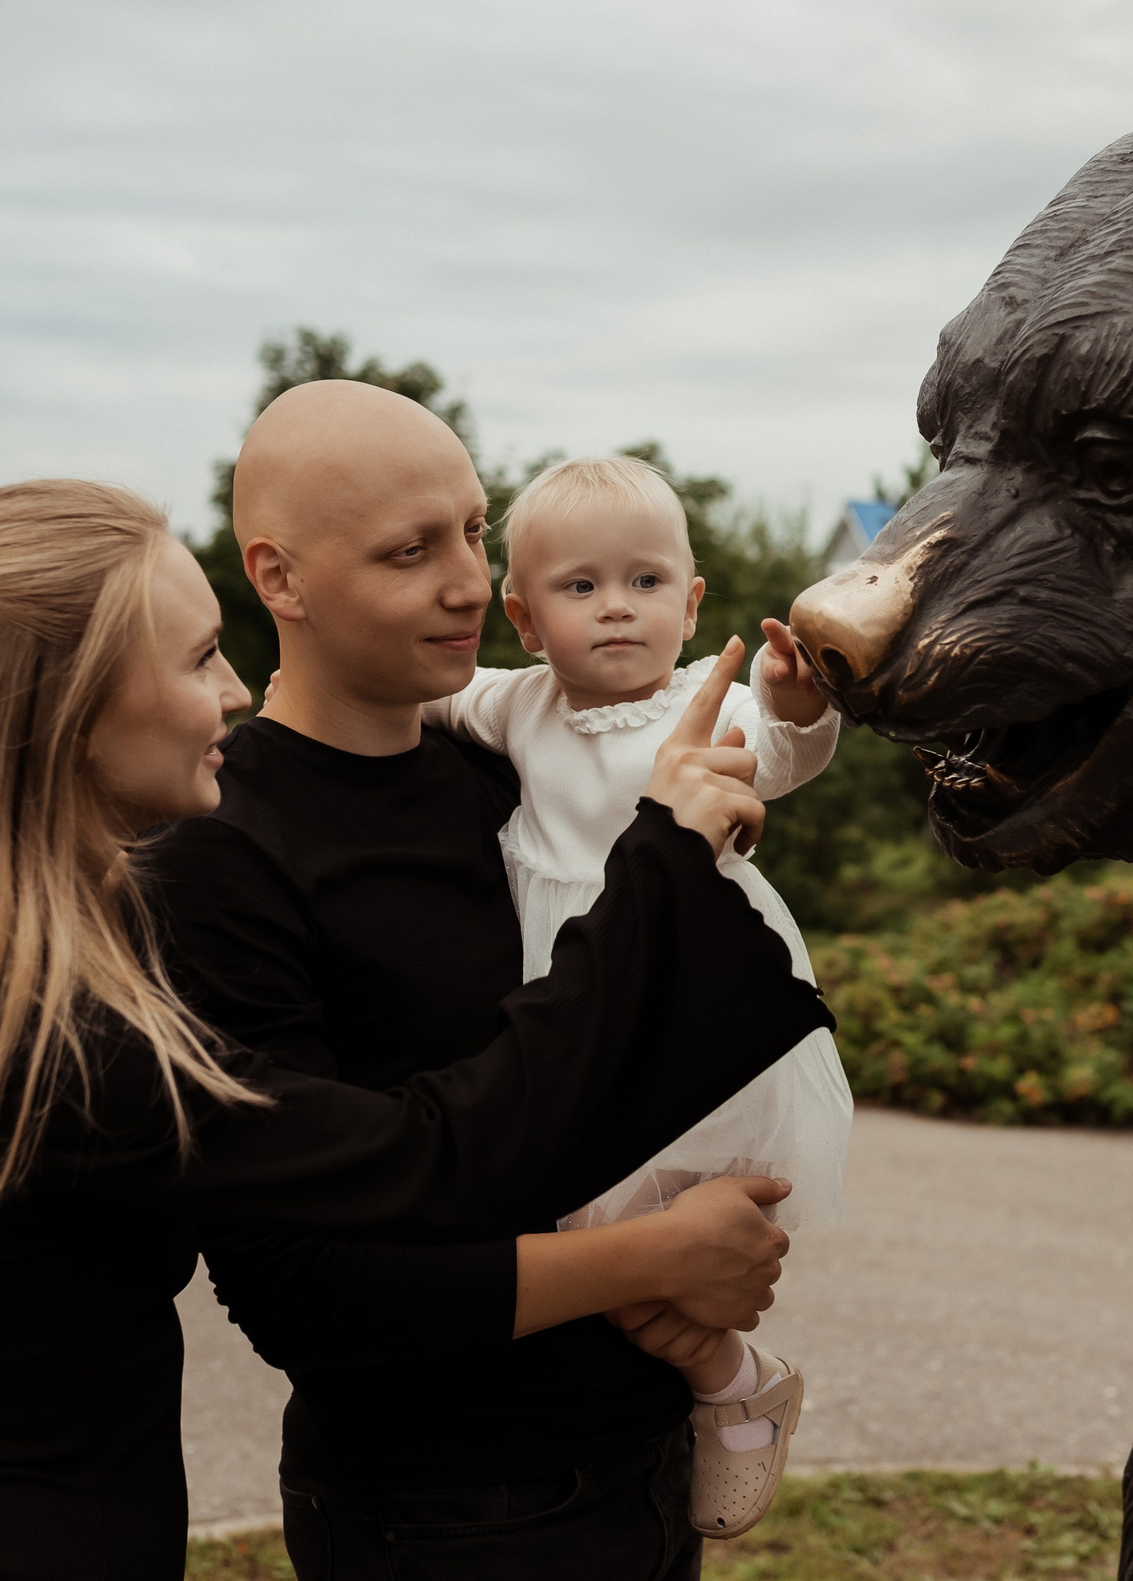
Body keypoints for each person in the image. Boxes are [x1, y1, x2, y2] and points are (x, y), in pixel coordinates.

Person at [0, 477, 830, 1581]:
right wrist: (662, 858)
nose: (232, 689)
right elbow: (429, 1157)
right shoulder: (54, 1045)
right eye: (192, 658)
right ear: (65, 713)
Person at [143, 384, 818, 1579]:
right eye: (411, 551)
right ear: (280, 579)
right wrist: (655, 1259)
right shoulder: (222, 842)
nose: (467, 583)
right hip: (447, 1504)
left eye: (472, 528)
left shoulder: (505, 772)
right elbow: (304, 1295)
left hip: (644, 1449)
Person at [426, 450, 855, 1538]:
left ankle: (724, 1374)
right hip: (570, 1001)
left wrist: (801, 709)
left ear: (691, 597)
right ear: (523, 616)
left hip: (684, 1003)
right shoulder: (517, 705)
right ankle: (731, 1376)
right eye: (579, 587)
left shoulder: (701, 707)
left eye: (646, 581)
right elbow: (426, 689)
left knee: (665, 1232)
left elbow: (781, 755)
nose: (616, 608)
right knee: (597, 1243)